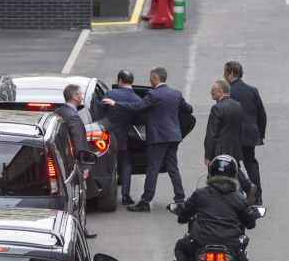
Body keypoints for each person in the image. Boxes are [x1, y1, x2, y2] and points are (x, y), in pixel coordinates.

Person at [166, 155, 271, 261]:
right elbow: (251, 221)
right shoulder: (239, 198)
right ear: (234, 175)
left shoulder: (200, 194)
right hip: (230, 247)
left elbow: (184, 213)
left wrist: (182, 215)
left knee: (181, 246)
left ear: (211, 173)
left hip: (200, 244)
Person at [103, 67, 193, 212]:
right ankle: (180, 199)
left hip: (158, 138)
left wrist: (115, 104)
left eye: (151, 77)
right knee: (173, 168)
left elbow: (136, 107)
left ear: (156, 79)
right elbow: (188, 109)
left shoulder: (153, 95)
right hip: (173, 136)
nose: (149, 79)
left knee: (152, 169)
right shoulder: (176, 94)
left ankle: (145, 202)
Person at [54, 84, 97, 238]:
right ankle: (81, 229)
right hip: (75, 164)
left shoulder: (58, 112)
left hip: (62, 162)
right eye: (80, 94)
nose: (82, 96)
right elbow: (79, 143)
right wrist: (85, 165)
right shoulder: (73, 116)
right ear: (74, 97)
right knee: (81, 196)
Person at [204, 80, 256, 205]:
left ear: (220, 92)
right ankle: (246, 189)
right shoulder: (238, 105)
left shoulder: (217, 108)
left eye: (213, 90)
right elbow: (240, 128)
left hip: (219, 149)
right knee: (235, 170)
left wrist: (207, 155)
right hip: (234, 146)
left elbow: (212, 134)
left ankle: (215, 201)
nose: (211, 92)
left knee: (217, 176)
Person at [224, 61, 267, 205]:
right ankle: (258, 195)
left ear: (231, 74)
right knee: (251, 163)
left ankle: (243, 191)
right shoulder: (252, 90)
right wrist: (259, 134)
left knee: (234, 164)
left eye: (225, 73)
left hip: (234, 135)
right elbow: (261, 114)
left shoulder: (227, 91)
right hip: (250, 134)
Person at [99, 70, 141, 205]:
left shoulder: (111, 93)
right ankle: (125, 195)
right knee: (126, 163)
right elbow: (138, 118)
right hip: (122, 136)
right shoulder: (137, 100)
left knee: (104, 163)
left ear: (120, 81)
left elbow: (100, 109)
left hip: (105, 135)